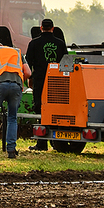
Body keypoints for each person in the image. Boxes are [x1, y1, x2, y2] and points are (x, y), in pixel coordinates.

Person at [26, 18, 68, 151]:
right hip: (57, 82)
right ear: (53, 28)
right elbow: (65, 63)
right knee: (56, 110)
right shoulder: (60, 43)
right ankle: (56, 141)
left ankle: (41, 143)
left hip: (39, 81)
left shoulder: (34, 43)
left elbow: (28, 63)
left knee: (40, 111)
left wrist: (30, 78)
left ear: (40, 28)